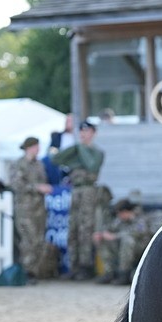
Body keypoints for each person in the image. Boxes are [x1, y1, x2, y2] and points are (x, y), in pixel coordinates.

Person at [55, 120, 105, 280]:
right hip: (75, 190)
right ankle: (74, 266)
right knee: (73, 229)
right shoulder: (77, 150)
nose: (83, 134)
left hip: (89, 191)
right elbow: (56, 159)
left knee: (86, 229)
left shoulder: (97, 152)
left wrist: (81, 148)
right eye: (81, 131)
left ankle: (86, 266)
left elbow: (91, 165)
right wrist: (74, 148)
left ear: (93, 133)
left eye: (87, 131)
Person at [9, 137, 54, 275]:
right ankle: (26, 270)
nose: (38, 149)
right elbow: (16, 185)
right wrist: (37, 188)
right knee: (28, 239)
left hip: (39, 208)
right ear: (29, 147)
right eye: (36, 146)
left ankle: (34, 270)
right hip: (25, 208)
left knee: (38, 239)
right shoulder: (18, 164)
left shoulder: (39, 164)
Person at [93, 198, 153, 285]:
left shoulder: (140, 219)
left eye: (120, 213)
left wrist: (115, 236)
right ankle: (109, 273)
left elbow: (137, 233)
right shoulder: (120, 220)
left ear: (125, 212)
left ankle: (124, 274)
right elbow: (110, 228)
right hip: (123, 249)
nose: (119, 216)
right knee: (104, 240)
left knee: (127, 240)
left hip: (139, 250)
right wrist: (101, 234)